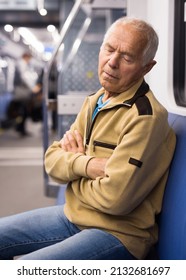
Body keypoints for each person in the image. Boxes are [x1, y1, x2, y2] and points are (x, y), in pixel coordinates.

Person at [0, 17, 176, 260]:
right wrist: (89, 165)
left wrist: (72, 175)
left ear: (146, 67)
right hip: (74, 216)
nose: (112, 62)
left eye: (127, 57)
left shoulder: (145, 118)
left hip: (118, 233)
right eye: (109, 49)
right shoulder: (95, 100)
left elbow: (116, 199)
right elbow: (52, 162)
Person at [8, 52, 37, 136]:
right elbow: (24, 78)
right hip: (22, 92)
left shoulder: (20, 64)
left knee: (22, 111)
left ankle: (20, 128)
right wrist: (32, 88)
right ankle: (21, 129)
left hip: (20, 91)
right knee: (23, 111)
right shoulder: (21, 64)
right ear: (26, 57)